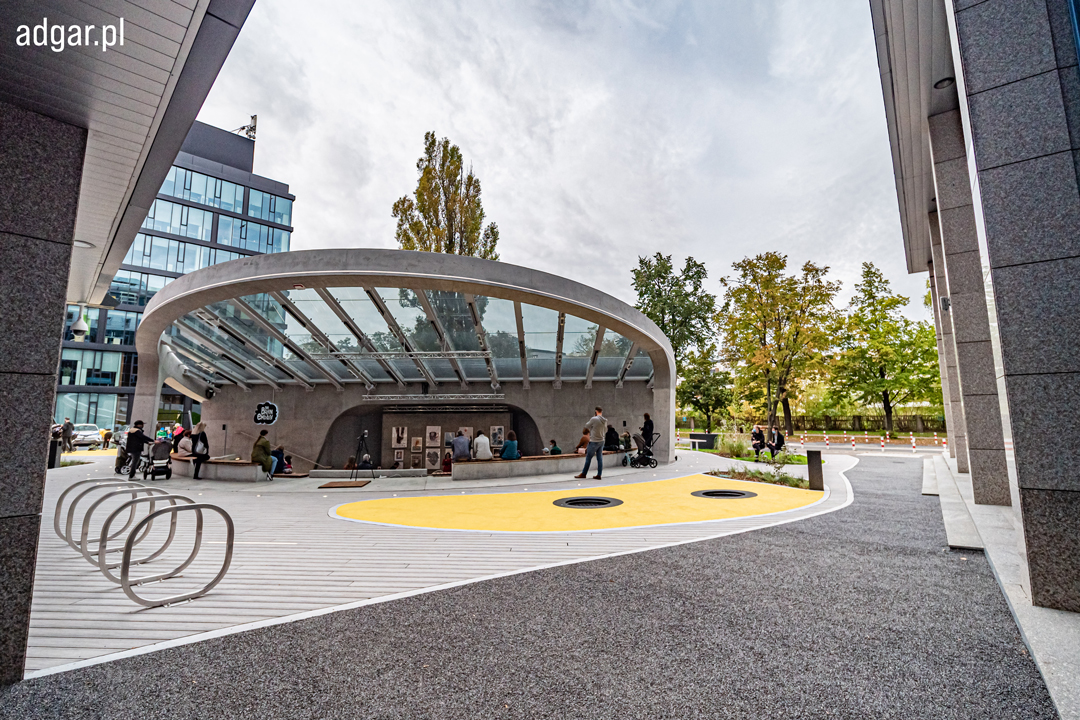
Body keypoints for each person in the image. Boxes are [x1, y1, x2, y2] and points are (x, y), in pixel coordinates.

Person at [575, 406, 607, 479]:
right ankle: (599, 474)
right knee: (599, 458)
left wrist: (593, 418)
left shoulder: (594, 419)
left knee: (588, 457)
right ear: (601, 412)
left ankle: (584, 473)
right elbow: (605, 430)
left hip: (594, 441)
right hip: (601, 441)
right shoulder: (605, 420)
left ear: (596, 412)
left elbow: (586, 426)